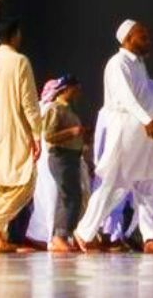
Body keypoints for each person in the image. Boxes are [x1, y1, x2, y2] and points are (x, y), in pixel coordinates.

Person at [74, 20, 153, 253]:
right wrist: (146, 119)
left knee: (146, 183)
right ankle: (84, 232)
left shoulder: (139, 65)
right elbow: (126, 97)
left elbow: (146, 94)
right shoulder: (117, 64)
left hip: (143, 135)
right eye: (142, 36)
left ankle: (152, 238)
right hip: (125, 129)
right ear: (127, 38)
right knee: (113, 182)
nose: (147, 40)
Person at [0, 17, 42, 252]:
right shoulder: (20, 61)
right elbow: (30, 103)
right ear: (14, 35)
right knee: (27, 181)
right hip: (15, 131)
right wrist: (37, 134)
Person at [39, 77, 86, 251]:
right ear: (66, 89)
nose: (77, 93)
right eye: (75, 89)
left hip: (71, 157)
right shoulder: (56, 109)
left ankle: (61, 235)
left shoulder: (68, 110)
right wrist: (72, 132)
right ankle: (60, 236)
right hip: (61, 157)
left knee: (69, 196)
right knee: (70, 196)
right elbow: (49, 136)